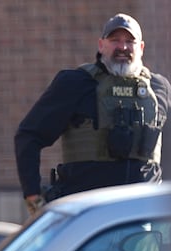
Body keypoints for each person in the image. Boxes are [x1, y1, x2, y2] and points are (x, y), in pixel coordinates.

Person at [15, 13, 171, 215]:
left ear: (141, 47)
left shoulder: (159, 88)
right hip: (89, 221)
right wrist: (33, 197)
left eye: (129, 41)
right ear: (101, 45)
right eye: (115, 40)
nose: (122, 47)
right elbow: (29, 135)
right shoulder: (75, 83)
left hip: (141, 220)